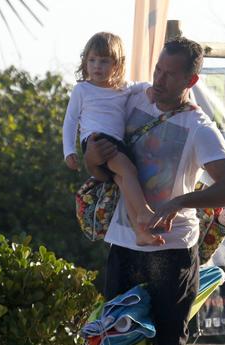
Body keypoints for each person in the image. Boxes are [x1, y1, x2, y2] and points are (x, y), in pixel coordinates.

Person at [84, 37, 225, 345]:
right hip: (123, 241)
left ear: (191, 80)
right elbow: (96, 157)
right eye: (158, 68)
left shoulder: (199, 127)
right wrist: (90, 157)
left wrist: (178, 204)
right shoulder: (133, 96)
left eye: (171, 73)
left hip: (173, 249)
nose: (160, 78)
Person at [63, 32, 164, 246]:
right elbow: (70, 121)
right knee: (129, 172)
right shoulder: (82, 89)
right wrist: (68, 151)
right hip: (96, 140)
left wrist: (150, 91)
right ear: (85, 62)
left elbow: (142, 85)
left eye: (104, 61)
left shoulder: (122, 88)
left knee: (122, 181)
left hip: (116, 143)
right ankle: (144, 212)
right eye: (92, 60)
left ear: (117, 64)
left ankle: (140, 233)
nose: (97, 66)